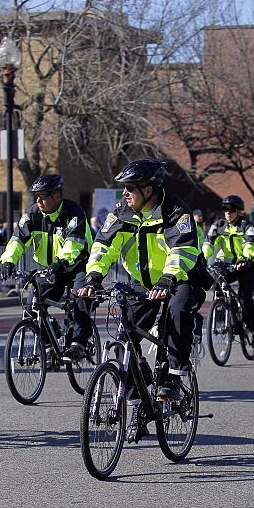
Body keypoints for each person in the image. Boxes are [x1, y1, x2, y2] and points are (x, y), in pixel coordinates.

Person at [76, 158, 210, 435]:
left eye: (131, 188)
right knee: (125, 340)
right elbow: (104, 245)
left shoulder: (176, 211)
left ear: (149, 189)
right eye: (124, 188)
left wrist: (167, 278)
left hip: (181, 277)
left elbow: (183, 250)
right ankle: (140, 402)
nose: (125, 193)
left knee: (177, 310)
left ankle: (175, 374)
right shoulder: (122, 213)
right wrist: (94, 276)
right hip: (143, 283)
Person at [0, 174, 94, 360]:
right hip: (50, 268)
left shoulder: (74, 213)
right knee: (32, 307)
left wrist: (61, 263)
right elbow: (17, 240)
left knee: (81, 298)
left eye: (43, 196)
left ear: (57, 196)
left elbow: (73, 245)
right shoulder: (32, 214)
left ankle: (79, 343)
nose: (38, 200)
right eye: (36, 196)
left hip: (78, 264)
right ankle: (50, 345)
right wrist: (7, 260)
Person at [203, 194, 254, 348]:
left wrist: (245, 258)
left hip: (249, 265)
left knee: (245, 298)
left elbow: (251, 244)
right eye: (225, 209)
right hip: (228, 265)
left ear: (240, 211)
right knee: (218, 287)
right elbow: (209, 244)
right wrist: (202, 258)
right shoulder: (218, 226)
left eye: (231, 209)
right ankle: (222, 318)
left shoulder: (247, 226)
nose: (228, 212)